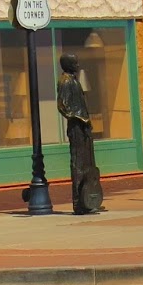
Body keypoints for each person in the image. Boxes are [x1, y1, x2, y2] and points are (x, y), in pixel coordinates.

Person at [56, 53, 104, 215]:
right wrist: (79, 118)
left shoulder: (74, 80)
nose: (77, 65)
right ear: (67, 64)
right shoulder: (65, 82)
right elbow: (62, 105)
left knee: (88, 163)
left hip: (83, 125)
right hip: (77, 127)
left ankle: (88, 199)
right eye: (74, 62)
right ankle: (78, 203)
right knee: (78, 164)